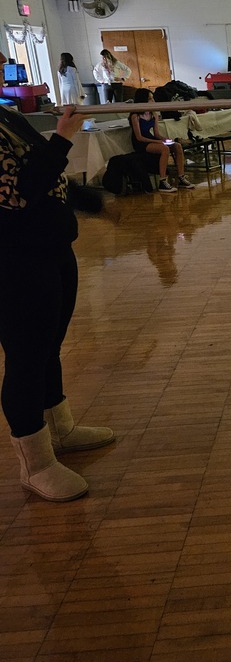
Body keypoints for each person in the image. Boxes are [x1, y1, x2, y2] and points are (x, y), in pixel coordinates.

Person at [0, 94, 115, 502]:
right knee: (27, 356)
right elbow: (21, 190)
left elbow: (47, 174)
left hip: (50, 250)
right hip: (14, 261)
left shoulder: (7, 116)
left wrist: (88, 202)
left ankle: (59, 429)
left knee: (49, 347)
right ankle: (35, 463)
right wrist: (64, 136)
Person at [130, 89, 194, 193]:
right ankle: (162, 181)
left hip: (151, 138)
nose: (153, 101)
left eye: (152, 98)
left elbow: (156, 134)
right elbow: (139, 137)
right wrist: (159, 142)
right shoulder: (135, 116)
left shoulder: (153, 114)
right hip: (141, 142)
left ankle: (181, 177)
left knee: (177, 146)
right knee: (164, 149)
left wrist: (165, 139)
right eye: (150, 99)